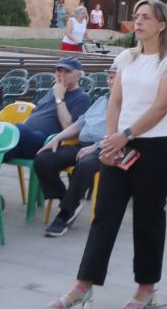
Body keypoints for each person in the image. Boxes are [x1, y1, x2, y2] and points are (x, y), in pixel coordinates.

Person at [48, 0, 167, 309]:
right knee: (104, 215)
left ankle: (145, 289)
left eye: (146, 17)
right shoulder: (126, 57)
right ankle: (83, 286)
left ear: (162, 24)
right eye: (137, 16)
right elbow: (115, 103)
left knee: (147, 220)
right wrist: (111, 140)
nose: (138, 22)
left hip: (156, 148)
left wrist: (125, 135)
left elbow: (161, 107)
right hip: (120, 143)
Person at [0, 57, 91, 221]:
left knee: (15, 130)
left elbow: (70, 127)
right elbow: (34, 116)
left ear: (78, 75)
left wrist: (59, 98)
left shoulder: (81, 97)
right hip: (22, 140)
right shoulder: (51, 91)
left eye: (66, 71)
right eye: (58, 70)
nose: (61, 75)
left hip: (44, 143)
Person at [36, 64, 117, 237]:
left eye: (114, 77)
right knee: (44, 158)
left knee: (86, 165)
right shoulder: (102, 100)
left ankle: (65, 213)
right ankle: (68, 201)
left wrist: (96, 147)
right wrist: (57, 138)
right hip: (81, 145)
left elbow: (122, 134)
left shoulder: (130, 105)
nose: (110, 81)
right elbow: (79, 124)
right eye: (109, 77)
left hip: (106, 149)